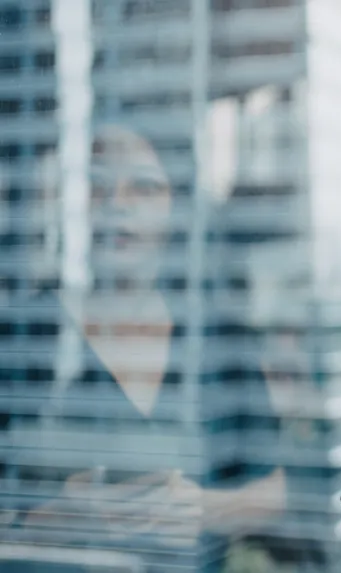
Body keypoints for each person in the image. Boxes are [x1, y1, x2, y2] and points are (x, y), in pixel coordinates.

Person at [4, 125, 286, 572]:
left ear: (177, 206)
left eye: (144, 187)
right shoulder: (27, 333)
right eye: (97, 186)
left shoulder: (215, 336)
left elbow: (275, 492)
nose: (118, 203)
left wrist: (201, 508)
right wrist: (63, 517)